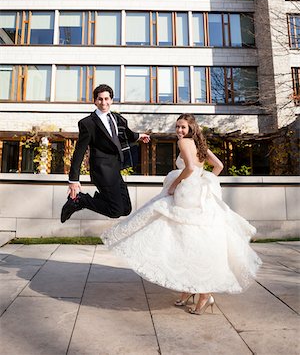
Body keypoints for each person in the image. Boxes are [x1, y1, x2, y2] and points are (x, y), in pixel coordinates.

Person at [102, 113, 262, 315]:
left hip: (187, 195)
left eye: (183, 127)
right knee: (188, 242)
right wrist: (203, 180)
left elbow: (189, 168)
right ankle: (190, 289)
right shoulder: (199, 145)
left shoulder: (185, 143)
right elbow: (218, 167)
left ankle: (204, 294)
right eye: (177, 127)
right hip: (199, 197)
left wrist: (176, 184)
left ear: (191, 129)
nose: (179, 130)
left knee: (181, 239)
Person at [61, 84, 150, 223]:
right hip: (102, 171)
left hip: (115, 169)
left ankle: (96, 199)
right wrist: (73, 179)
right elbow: (79, 151)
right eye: (100, 99)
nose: (104, 103)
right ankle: (80, 200)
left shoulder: (117, 118)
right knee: (115, 211)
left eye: (106, 99)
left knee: (126, 208)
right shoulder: (88, 123)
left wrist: (139, 136)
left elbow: (126, 133)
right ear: (95, 101)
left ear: (111, 100)